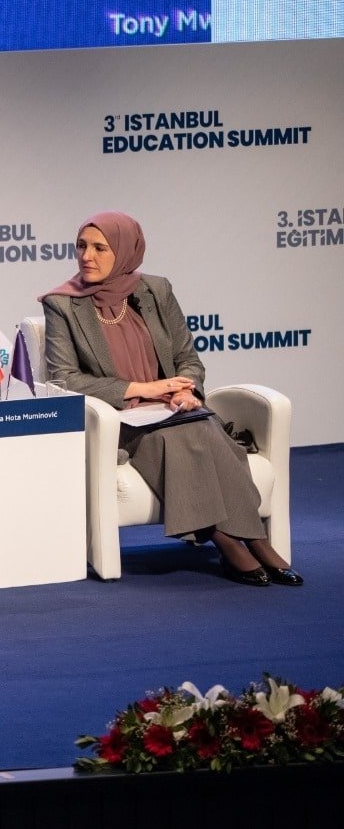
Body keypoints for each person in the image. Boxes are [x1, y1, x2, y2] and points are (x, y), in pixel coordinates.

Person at [40, 212, 301, 587]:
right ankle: (234, 541)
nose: (86, 256)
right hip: (121, 419)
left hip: (175, 409)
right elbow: (63, 378)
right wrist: (140, 390)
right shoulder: (62, 304)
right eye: (82, 246)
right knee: (185, 437)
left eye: (100, 247)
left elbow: (187, 358)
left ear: (127, 251)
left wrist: (185, 389)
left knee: (205, 429)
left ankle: (250, 540)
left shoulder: (156, 291)